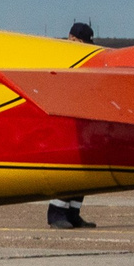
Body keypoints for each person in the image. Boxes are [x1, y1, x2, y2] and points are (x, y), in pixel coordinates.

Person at [48, 21, 100, 230]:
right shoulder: (62, 59)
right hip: (66, 120)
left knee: (83, 169)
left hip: (82, 120)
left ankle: (73, 212)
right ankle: (56, 213)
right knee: (68, 167)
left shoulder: (84, 61)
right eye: (73, 40)